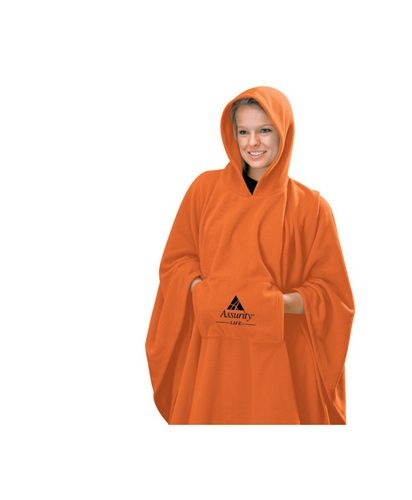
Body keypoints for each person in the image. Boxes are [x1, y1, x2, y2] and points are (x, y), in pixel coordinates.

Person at [146, 86, 355, 424]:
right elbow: (176, 263)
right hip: (212, 357)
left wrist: (274, 305)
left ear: (283, 132)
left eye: (264, 130)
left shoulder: (312, 208)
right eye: (243, 131)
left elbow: (333, 295)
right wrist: (203, 292)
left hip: (281, 365)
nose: (253, 142)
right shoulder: (203, 191)